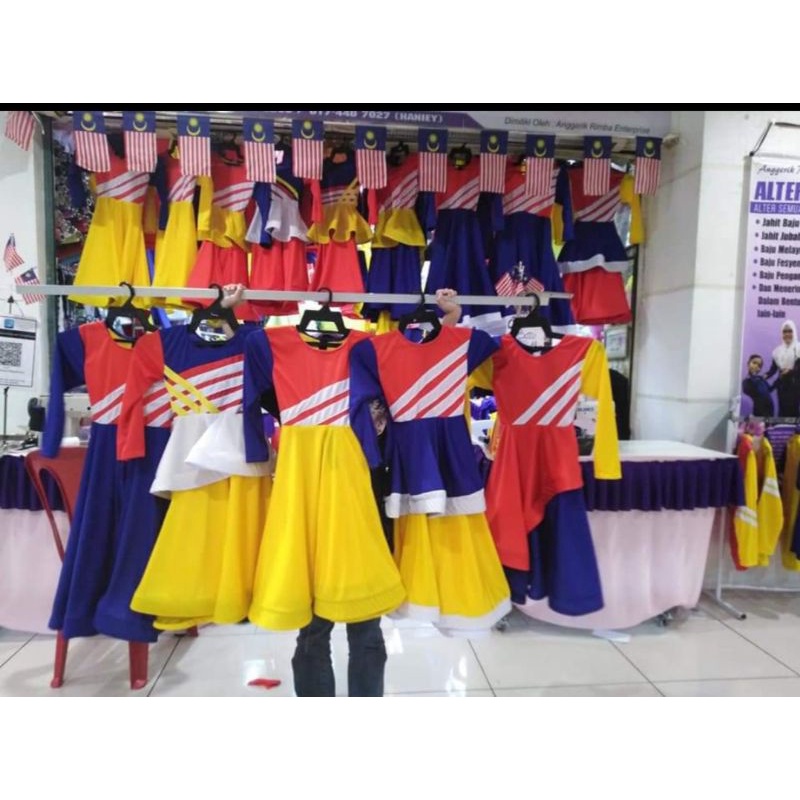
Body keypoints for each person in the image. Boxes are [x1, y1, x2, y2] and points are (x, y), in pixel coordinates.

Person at [290, 288, 464, 696]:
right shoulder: (290, 358)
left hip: (367, 503)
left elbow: (424, 358)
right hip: (315, 503)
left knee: (361, 629)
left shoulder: (373, 352)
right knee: (315, 627)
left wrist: (450, 319)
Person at [766, 321, 800, 416]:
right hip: (782, 385)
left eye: (790, 331)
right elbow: (773, 369)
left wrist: (790, 371)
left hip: (795, 385)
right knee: (782, 410)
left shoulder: (798, 348)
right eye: (785, 332)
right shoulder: (777, 351)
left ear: (794, 332)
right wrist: (765, 375)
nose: (787, 334)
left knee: (793, 411)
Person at [742, 354, 776, 418]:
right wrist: (753, 376)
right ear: (748, 363)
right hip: (759, 412)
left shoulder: (761, 378)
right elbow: (749, 391)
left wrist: (778, 381)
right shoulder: (746, 381)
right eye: (754, 363)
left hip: (770, 411)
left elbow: (769, 389)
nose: (756, 366)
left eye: (759, 365)